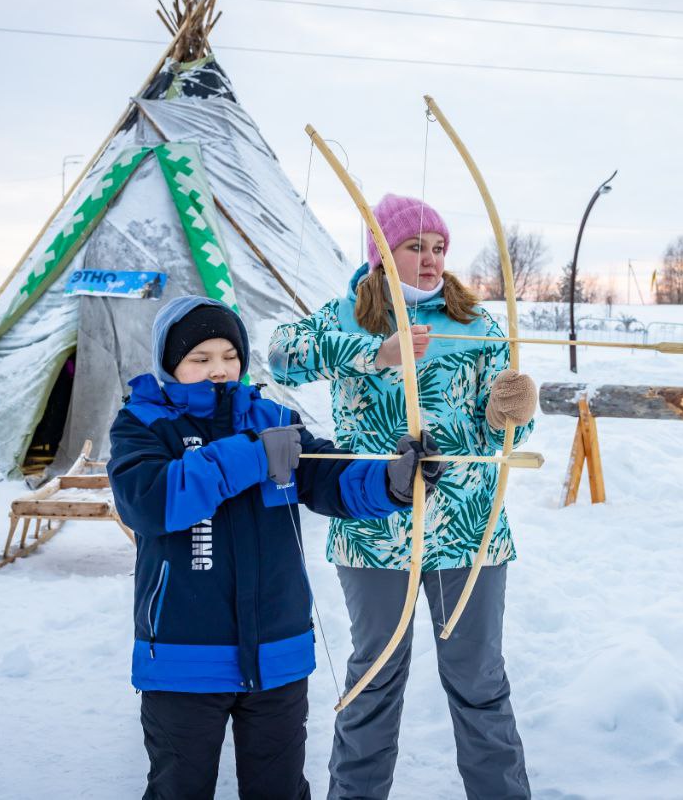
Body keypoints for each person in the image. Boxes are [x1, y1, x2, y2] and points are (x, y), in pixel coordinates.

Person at [108, 295, 446, 800]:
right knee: (178, 788)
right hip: (183, 655)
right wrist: (253, 456)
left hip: (277, 652)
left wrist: (392, 482)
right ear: (169, 363)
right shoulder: (144, 424)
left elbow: (328, 476)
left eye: (230, 356)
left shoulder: (274, 420)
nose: (219, 369)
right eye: (200, 358)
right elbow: (150, 502)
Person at [269, 194, 538, 799]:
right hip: (373, 533)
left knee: (479, 682)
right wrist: (377, 353)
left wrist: (511, 414)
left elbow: (505, 433)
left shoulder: (475, 324)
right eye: (416, 246)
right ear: (382, 255)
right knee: (374, 680)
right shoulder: (346, 316)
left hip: (468, 531)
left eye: (439, 247)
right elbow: (282, 357)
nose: (432, 258)